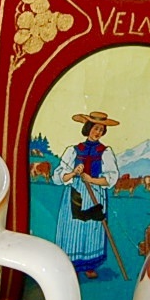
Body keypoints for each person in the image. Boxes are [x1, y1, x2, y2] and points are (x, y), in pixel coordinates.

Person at [53, 111, 120, 279]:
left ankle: (90, 265)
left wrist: (92, 180)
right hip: (75, 193)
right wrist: (74, 173)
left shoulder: (105, 152)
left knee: (92, 228)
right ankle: (71, 265)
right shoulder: (73, 151)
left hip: (95, 194)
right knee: (73, 227)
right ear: (88, 128)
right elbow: (58, 177)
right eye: (96, 128)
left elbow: (111, 178)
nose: (98, 132)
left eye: (101, 130)